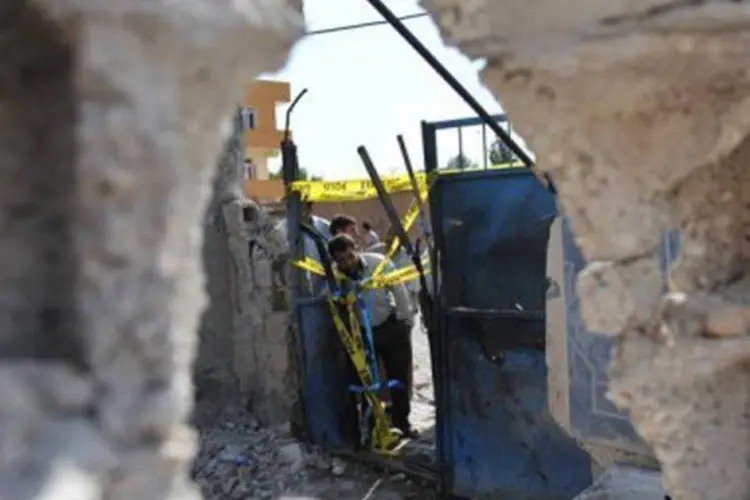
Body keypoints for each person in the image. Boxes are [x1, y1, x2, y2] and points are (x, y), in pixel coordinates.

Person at [327, 233, 418, 438]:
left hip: (388, 326)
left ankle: (402, 422)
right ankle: (373, 427)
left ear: (357, 249)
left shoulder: (378, 264)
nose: (347, 263)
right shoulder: (336, 277)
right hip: (360, 337)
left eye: (350, 256)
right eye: (341, 260)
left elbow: (399, 290)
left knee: (399, 377)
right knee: (366, 383)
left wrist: (405, 320)